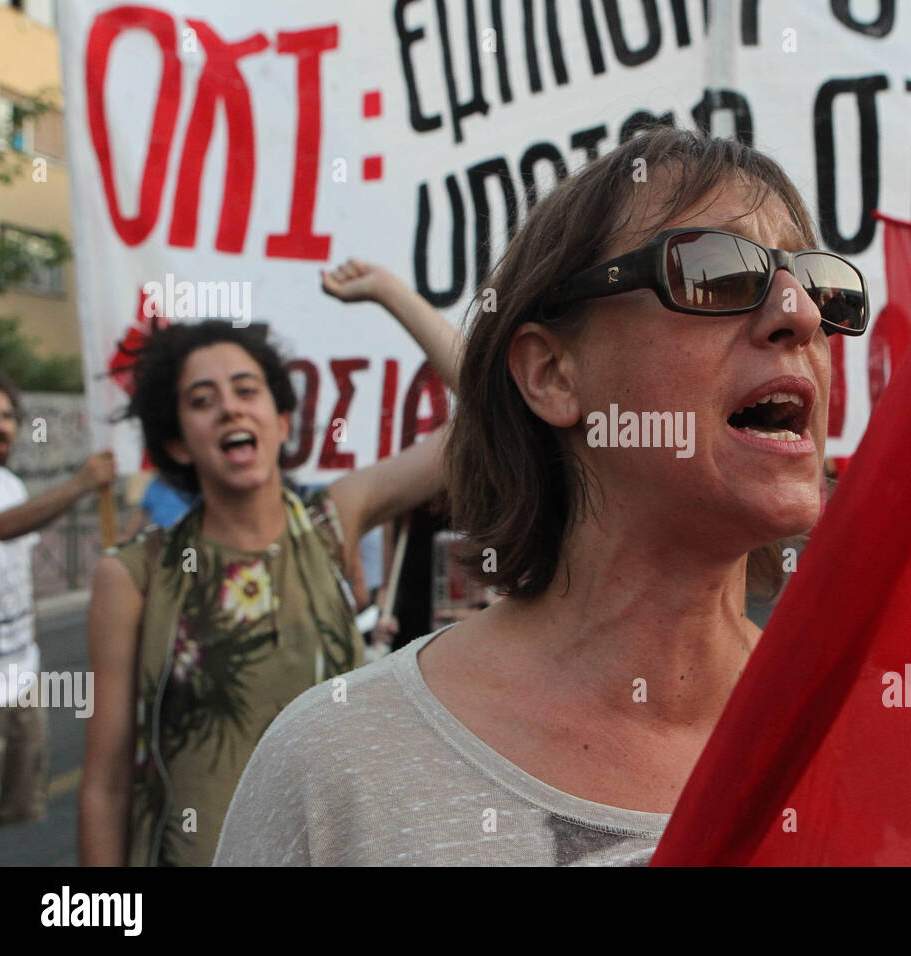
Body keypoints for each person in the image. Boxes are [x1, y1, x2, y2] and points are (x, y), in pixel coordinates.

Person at [215, 126, 870, 866]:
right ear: (554, 375)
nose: (805, 316)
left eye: (822, 288)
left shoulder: (878, 740)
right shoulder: (337, 768)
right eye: (714, 272)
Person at [80, 264, 462, 866]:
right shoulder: (133, 577)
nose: (230, 409)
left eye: (247, 390)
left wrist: (389, 292)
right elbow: (105, 787)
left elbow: (492, 411)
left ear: (281, 421)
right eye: (202, 401)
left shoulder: (332, 521)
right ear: (178, 441)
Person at [0, 372, 114, 859]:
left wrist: (31, 649)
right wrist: (81, 484)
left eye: (5, 416)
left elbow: (16, 570)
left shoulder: (13, 485)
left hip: (19, 680)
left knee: (11, 811)